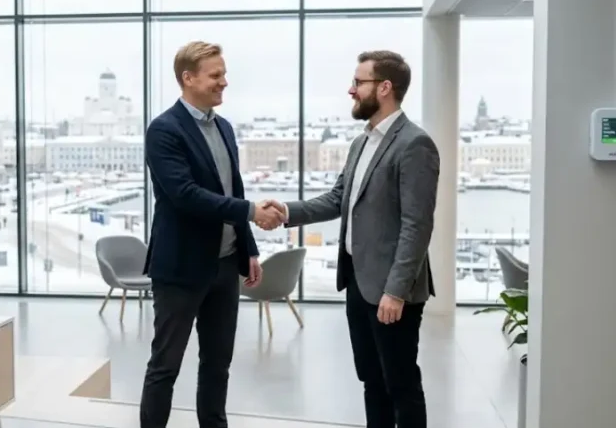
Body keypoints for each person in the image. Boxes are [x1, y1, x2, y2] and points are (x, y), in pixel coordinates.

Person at [263, 50, 439, 428]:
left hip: (393, 290)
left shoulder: (414, 144)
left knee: (401, 383)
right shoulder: (362, 142)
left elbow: (417, 225)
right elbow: (336, 199)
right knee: (371, 380)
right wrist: (287, 212)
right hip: (359, 283)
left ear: (385, 87)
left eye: (359, 82)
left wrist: (395, 291)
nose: (351, 90)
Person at [140, 40, 284, 428]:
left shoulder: (224, 127)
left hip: (224, 266)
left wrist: (248, 247)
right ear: (188, 78)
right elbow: (186, 196)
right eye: (215, 75)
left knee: (218, 364)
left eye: (224, 74)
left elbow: (230, 188)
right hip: (182, 269)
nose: (224, 82)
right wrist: (252, 212)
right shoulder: (164, 130)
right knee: (165, 366)